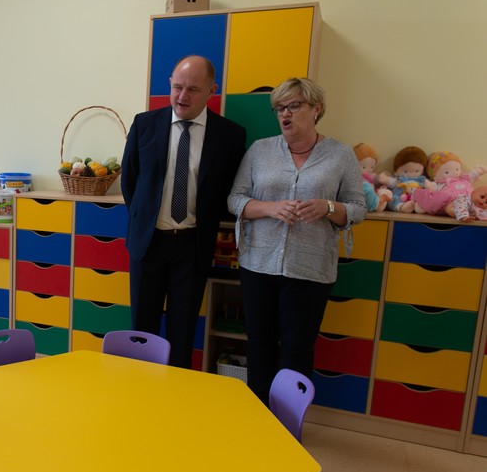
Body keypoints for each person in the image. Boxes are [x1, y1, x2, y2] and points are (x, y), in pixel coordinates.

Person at [226, 77, 367, 401]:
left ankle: (289, 418)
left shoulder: (340, 154)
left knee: (297, 350)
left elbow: (358, 209)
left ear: (316, 109)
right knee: (259, 345)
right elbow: (235, 199)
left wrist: (327, 207)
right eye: (279, 108)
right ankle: (258, 415)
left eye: (293, 106)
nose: (284, 114)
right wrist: (270, 208)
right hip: (258, 265)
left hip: (310, 269)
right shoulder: (260, 150)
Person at [121, 55, 246, 369]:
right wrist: (144, 218)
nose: (182, 96)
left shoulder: (230, 136)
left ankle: (175, 391)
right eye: (177, 87)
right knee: (142, 331)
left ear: (211, 91)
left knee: (182, 332)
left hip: (192, 247)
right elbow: (130, 180)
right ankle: (139, 388)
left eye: (192, 89)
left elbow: (229, 190)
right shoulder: (144, 124)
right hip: (148, 244)